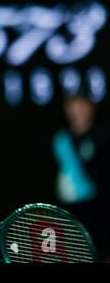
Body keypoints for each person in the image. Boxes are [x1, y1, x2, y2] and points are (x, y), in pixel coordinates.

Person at [52, 91, 110, 262]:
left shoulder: (102, 138)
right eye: (71, 105)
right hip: (68, 213)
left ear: (90, 108)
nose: (76, 111)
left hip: (98, 211)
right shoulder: (60, 140)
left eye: (81, 105)